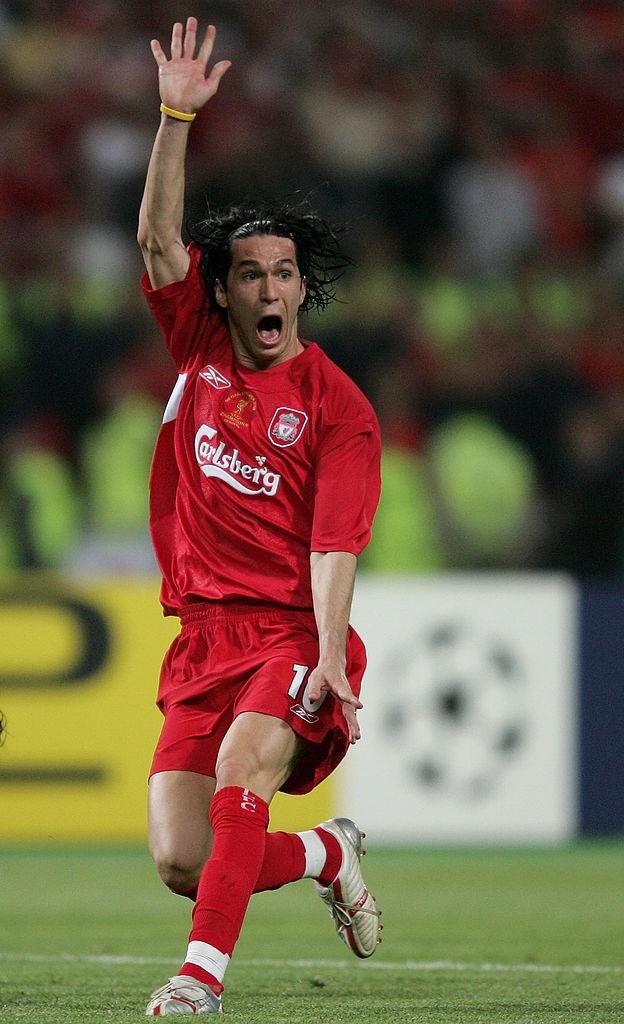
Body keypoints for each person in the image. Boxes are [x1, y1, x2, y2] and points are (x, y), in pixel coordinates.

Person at [138, 17, 382, 1016]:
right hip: (203, 636)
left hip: (287, 631)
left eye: (284, 272)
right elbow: (157, 240)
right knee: (182, 857)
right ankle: (326, 852)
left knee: (244, 771)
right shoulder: (198, 349)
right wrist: (176, 118)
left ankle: (199, 980)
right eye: (250, 274)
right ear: (226, 293)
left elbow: (335, 545)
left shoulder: (339, 408)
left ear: (302, 288)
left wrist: (328, 654)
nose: (270, 287)